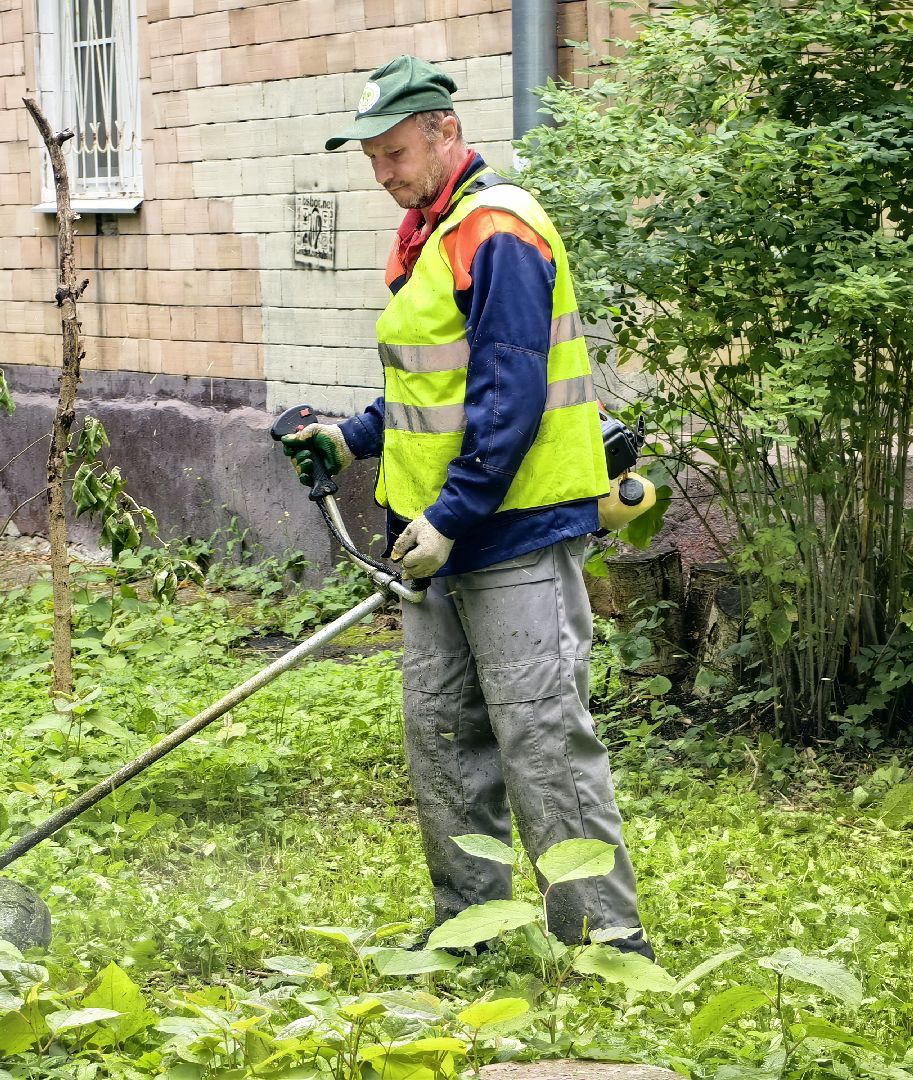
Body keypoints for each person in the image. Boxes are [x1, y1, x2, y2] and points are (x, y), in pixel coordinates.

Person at [280, 55, 653, 958]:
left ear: (446, 131)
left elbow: (507, 399)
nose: (383, 174)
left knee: (542, 743)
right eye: (372, 157)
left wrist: (450, 519)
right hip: (435, 540)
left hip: (508, 533)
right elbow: (428, 390)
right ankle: (469, 928)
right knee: (443, 739)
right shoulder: (432, 233)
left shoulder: (497, 231)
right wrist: (348, 438)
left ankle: (607, 945)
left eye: (396, 153)